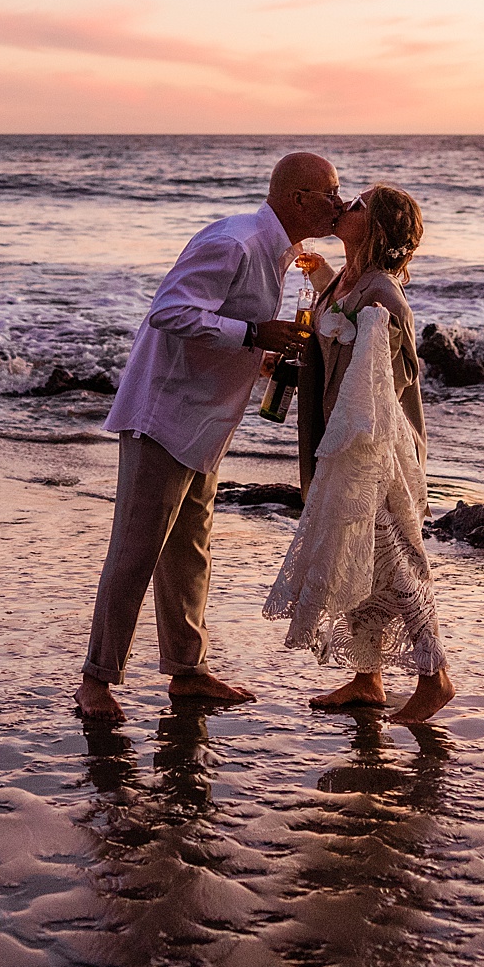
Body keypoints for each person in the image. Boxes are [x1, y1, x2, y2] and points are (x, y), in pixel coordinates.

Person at [75, 151, 348, 724]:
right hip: (165, 417)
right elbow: (170, 312)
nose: (338, 202)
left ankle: (188, 671)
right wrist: (254, 333)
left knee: (189, 550)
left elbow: (220, 329)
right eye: (330, 192)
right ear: (297, 199)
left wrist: (264, 356)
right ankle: (96, 682)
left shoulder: (280, 255)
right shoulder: (235, 242)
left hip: (205, 422)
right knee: (135, 551)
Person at [263, 184, 456, 724]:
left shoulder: (382, 297)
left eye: (360, 204)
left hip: (374, 446)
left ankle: (434, 673)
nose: (346, 204)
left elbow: (380, 384)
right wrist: (322, 279)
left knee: (395, 558)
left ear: (376, 229)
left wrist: (351, 454)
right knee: (362, 559)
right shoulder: (352, 282)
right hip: (345, 434)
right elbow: (335, 330)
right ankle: (368, 678)